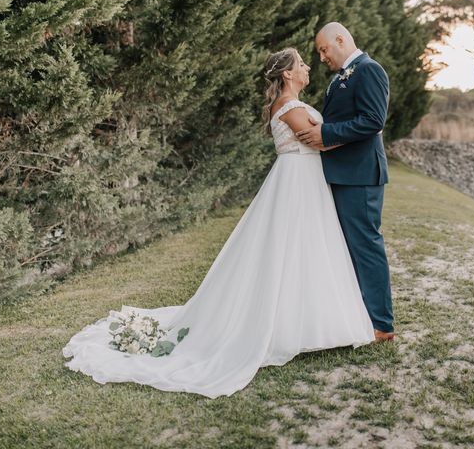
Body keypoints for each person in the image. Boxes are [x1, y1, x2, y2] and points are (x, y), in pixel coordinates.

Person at [62, 47, 377, 399]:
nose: (307, 67)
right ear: (287, 74)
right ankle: (289, 327)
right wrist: (362, 132)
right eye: (301, 64)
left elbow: (323, 136)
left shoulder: (292, 105)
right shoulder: (289, 108)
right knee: (291, 249)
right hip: (297, 181)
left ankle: (308, 325)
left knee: (306, 250)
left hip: (305, 180)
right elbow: (321, 143)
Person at [296, 22, 395, 341]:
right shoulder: (340, 78)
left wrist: (324, 134)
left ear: (341, 40)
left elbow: (372, 121)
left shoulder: (369, 70)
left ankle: (381, 324)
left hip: (360, 176)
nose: (322, 57)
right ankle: (357, 315)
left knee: (366, 246)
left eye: (324, 49)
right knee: (348, 248)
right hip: (341, 173)